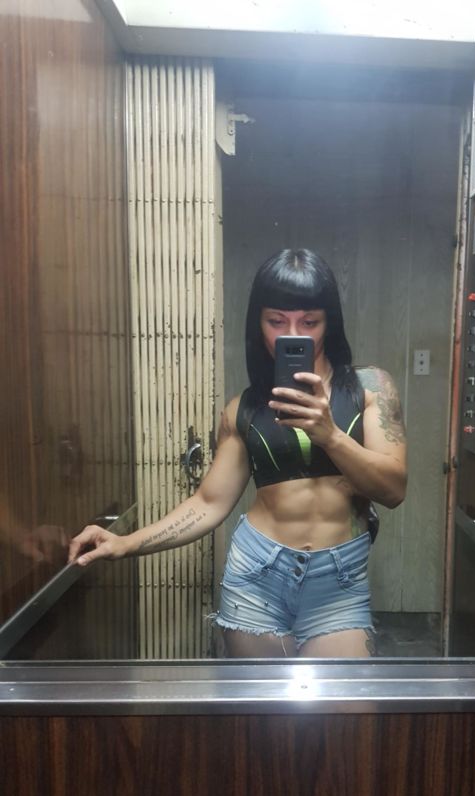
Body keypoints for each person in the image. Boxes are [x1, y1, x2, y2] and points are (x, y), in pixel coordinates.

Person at [68, 249, 407, 657]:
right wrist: (126, 543)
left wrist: (331, 436)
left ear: (329, 322)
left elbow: (393, 490)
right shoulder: (242, 410)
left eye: (309, 322)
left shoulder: (370, 389)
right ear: (257, 324)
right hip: (257, 577)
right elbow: (209, 503)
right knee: (258, 701)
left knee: (340, 699)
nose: (292, 333)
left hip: (338, 585)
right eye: (276, 321)